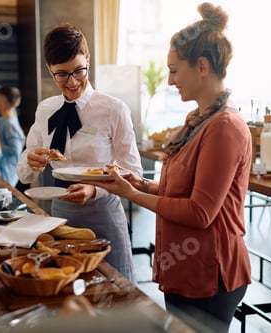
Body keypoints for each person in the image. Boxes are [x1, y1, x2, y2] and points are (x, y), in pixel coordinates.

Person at [85, 3, 251, 332]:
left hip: (210, 273)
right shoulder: (197, 120)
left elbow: (200, 212)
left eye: (174, 70)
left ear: (201, 66)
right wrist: (142, 184)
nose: (170, 80)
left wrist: (131, 194)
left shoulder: (224, 127)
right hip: (188, 268)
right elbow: (184, 190)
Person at [16, 23, 143, 283]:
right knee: (68, 291)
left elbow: (134, 173)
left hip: (104, 213)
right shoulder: (45, 110)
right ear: (50, 71)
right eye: (61, 74)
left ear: (88, 60)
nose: (72, 82)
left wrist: (94, 189)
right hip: (60, 215)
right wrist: (31, 161)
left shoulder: (113, 109)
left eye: (79, 71)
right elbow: (24, 175)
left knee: (115, 293)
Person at [0, 86, 25, 187]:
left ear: (3, 105)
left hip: (7, 170)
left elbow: (15, 151)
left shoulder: (10, 124)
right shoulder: (1, 120)